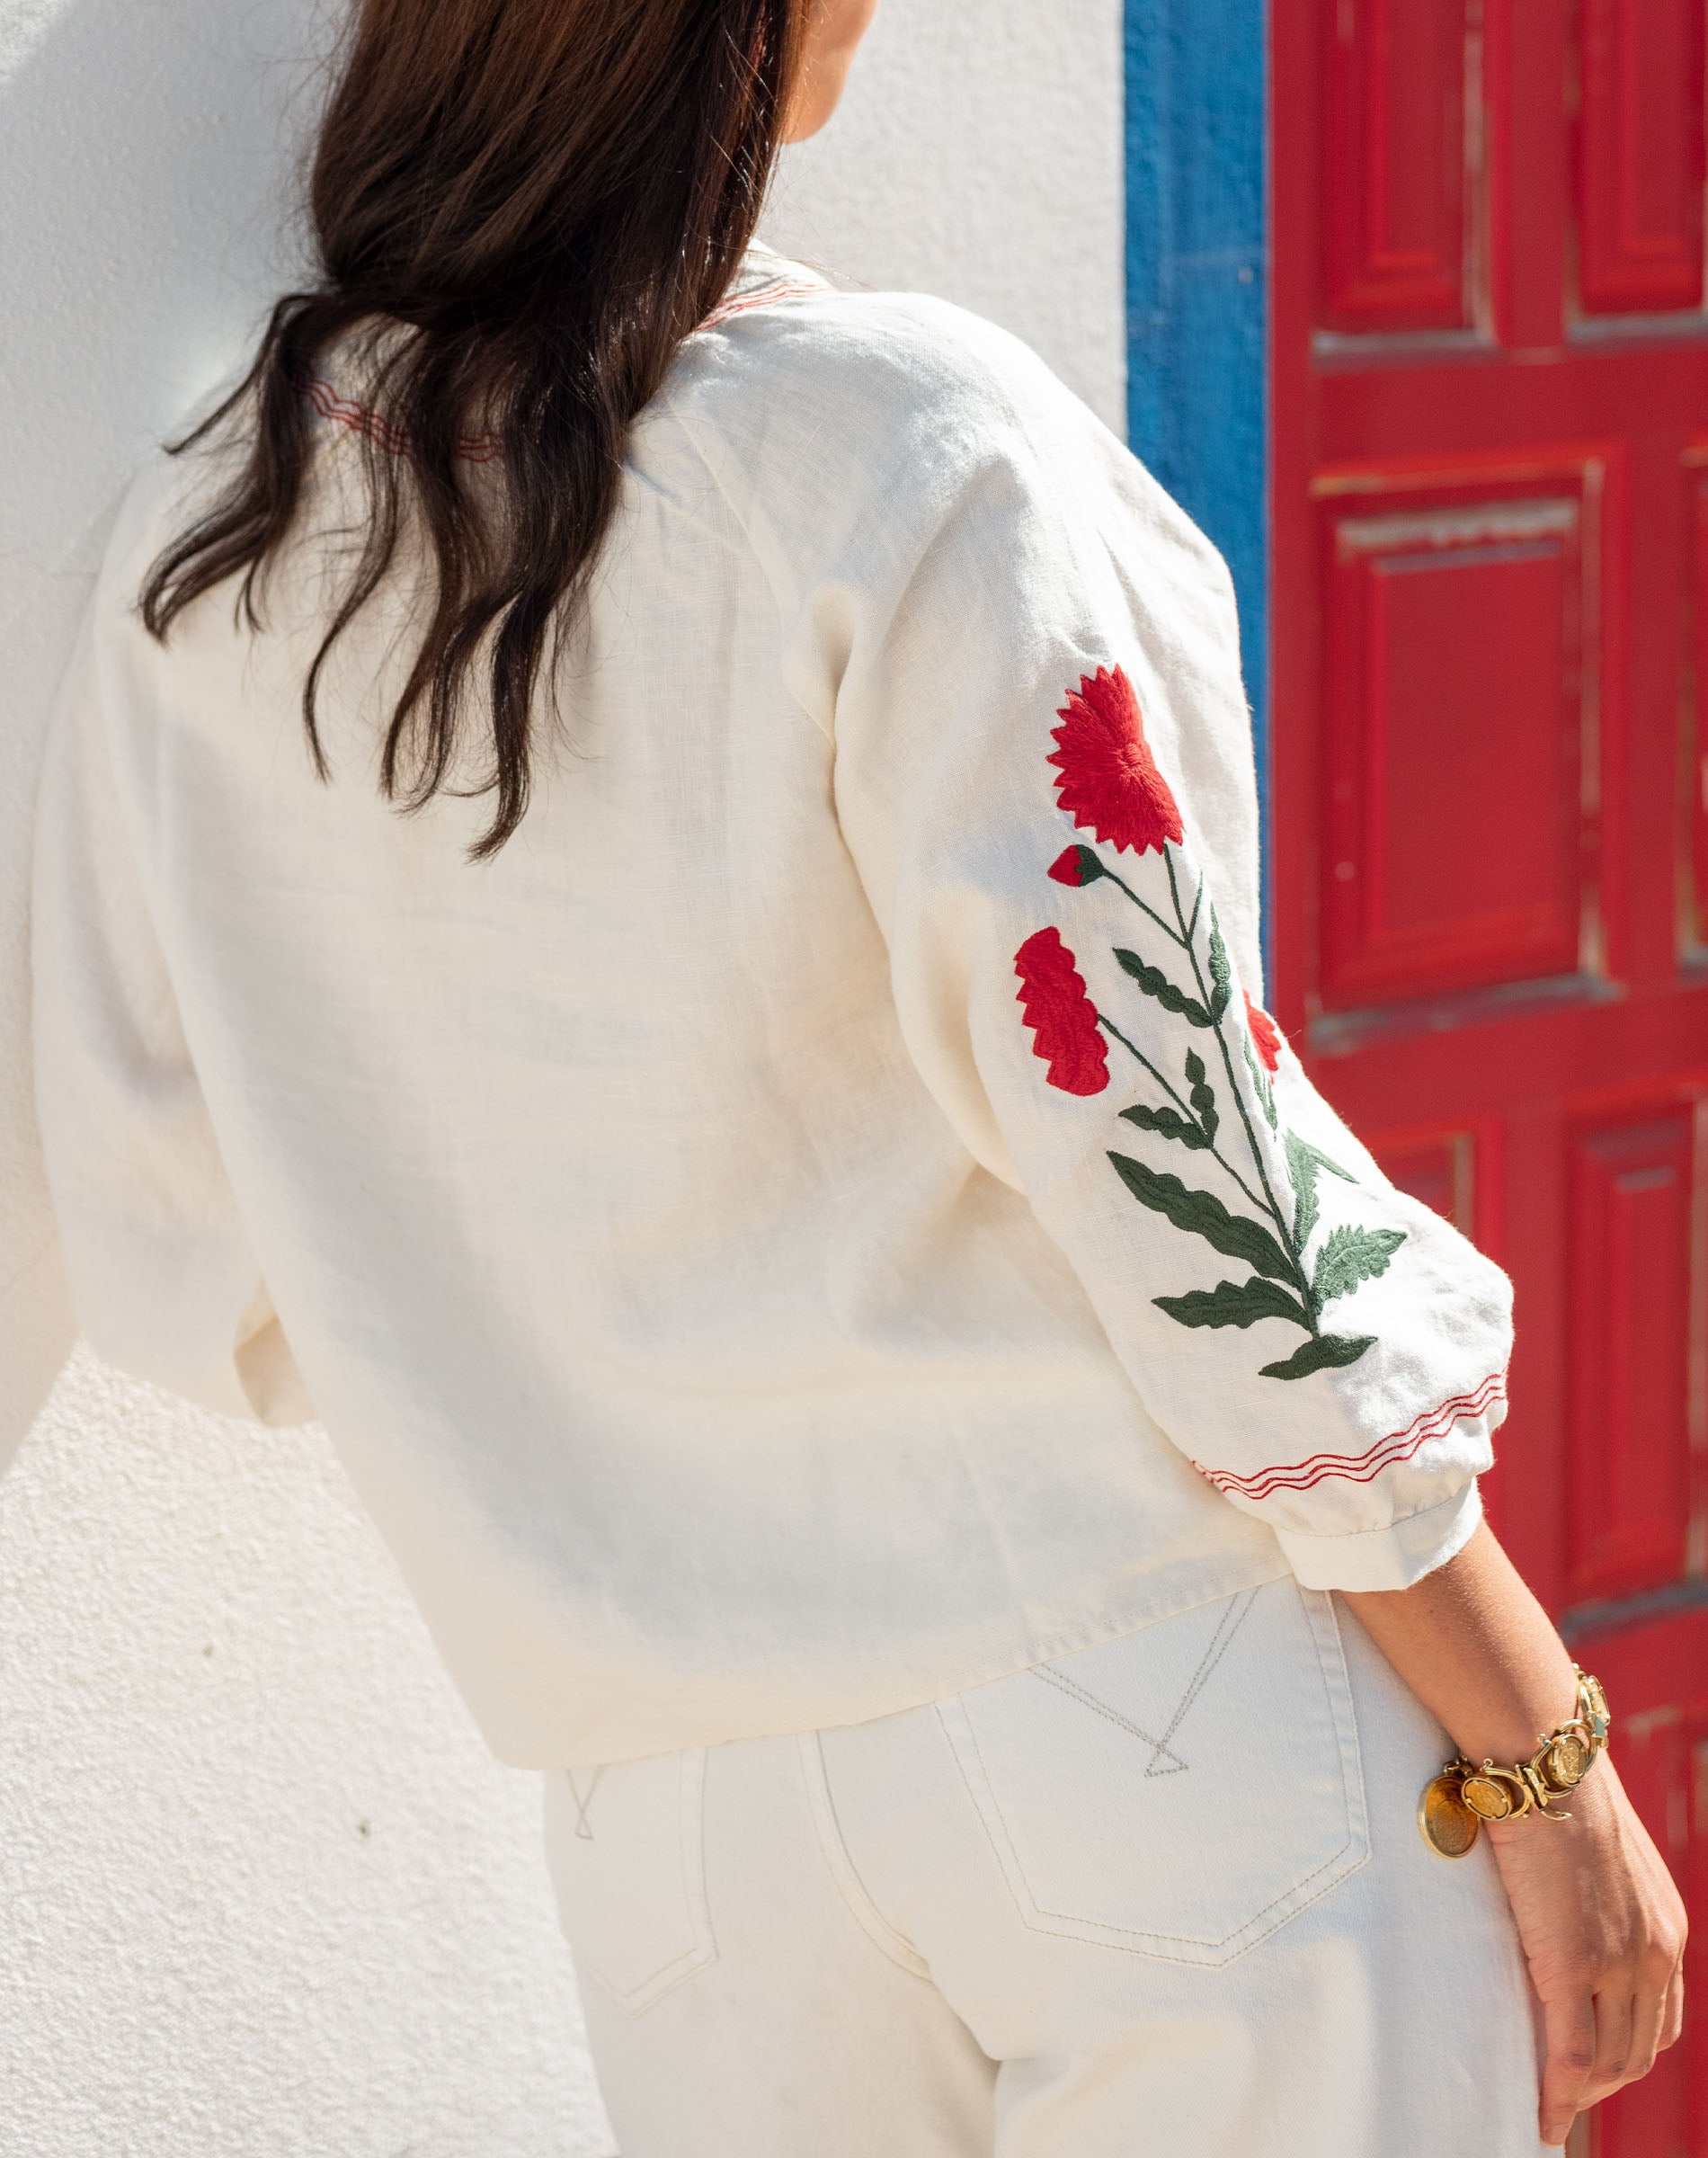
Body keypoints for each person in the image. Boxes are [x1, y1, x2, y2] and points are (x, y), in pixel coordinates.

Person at [18, 1, 1684, 2150]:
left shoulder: (224, 550)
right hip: (1153, 1727)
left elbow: (200, 1251)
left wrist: (602, 1360)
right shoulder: (904, 451)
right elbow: (1204, 1202)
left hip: (680, 1828)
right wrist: (1543, 1755)